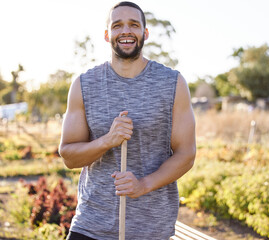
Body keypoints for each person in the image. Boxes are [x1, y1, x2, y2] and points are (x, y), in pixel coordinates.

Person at [59, 1, 196, 239]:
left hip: (151, 228)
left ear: (145, 33)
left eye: (134, 25)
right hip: (91, 225)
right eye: (117, 25)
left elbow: (186, 154)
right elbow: (69, 156)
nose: (126, 31)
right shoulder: (84, 85)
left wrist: (143, 185)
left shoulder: (172, 84)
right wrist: (107, 140)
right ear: (107, 34)